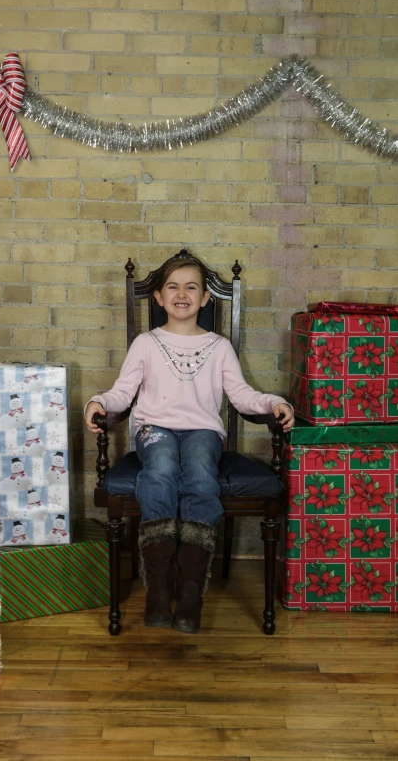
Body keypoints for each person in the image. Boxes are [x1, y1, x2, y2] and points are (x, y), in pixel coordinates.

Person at [84, 255, 294, 634]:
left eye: (191, 287)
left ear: (206, 297)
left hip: (202, 431)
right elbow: (122, 392)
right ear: (160, 298)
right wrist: (99, 403)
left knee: (199, 471)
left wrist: (273, 403)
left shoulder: (219, 346)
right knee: (161, 466)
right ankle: (160, 587)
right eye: (173, 287)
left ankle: (192, 590)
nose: (182, 294)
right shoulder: (146, 344)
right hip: (155, 430)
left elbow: (242, 395)